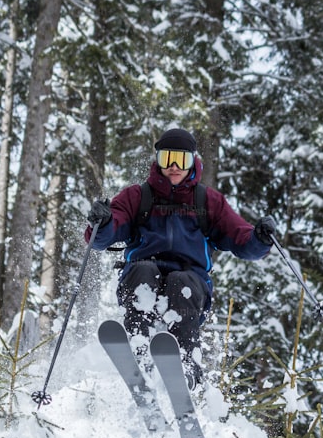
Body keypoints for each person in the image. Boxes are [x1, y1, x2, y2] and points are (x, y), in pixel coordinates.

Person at [86, 127, 275, 387]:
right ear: (158, 160)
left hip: (191, 281)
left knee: (181, 283)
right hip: (142, 272)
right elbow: (102, 236)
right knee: (143, 272)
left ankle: (185, 364)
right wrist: (104, 222)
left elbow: (241, 239)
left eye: (181, 159)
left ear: (192, 161)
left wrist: (260, 238)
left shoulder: (207, 201)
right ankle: (138, 350)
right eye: (167, 158)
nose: (174, 166)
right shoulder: (137, 197)